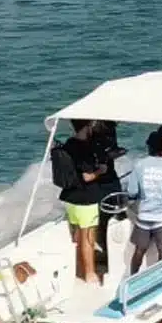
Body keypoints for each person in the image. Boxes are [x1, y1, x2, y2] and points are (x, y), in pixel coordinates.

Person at [125, 129, 162, 274]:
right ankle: (159, 279)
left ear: (149, 147)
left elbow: (132, 192)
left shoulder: (139, 165)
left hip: (144, 216)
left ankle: (132, 278)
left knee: (139, 251)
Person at [57, 118, 105, 285]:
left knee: (77, 236)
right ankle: (90, 274)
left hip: (70, 198)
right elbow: (87, 176)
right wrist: (101, 170)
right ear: (88, 126)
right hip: (86, 198)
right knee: (88, 237)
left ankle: (79, 269)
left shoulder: (68, 144)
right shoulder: (85, 148)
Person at [90, 120, 126, 278]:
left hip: (110, 178)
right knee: (106, 217)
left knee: (116, 214)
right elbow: (98, 156)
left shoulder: (110, 129)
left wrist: (114, 153)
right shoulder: (96, 133)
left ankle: (108, 253)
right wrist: (110, 155)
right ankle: (105, 255)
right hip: (102, 181)